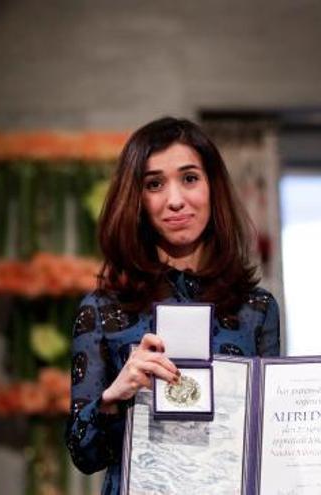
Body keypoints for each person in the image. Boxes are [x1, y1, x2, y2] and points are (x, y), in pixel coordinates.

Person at [65, 117, 280, 494]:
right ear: (137, 200)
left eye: (190, 178)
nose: (176, 199)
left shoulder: (257, 309)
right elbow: (85, 456)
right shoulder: (100, 310)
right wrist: (114, 396)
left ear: (213, 187)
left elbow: (267, 438)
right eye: (154, 184)